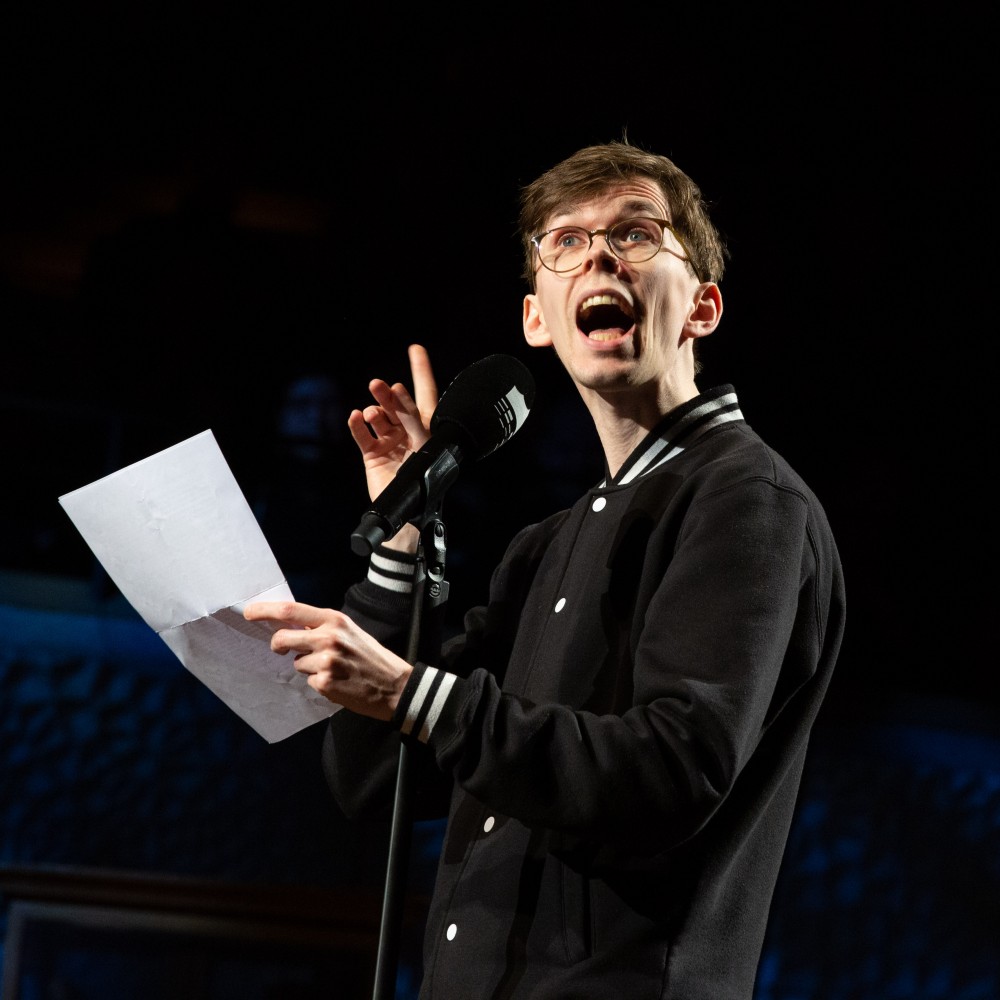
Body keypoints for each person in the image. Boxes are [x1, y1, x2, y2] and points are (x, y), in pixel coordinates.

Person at [244, 140, 846, 999]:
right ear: (537, 317)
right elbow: (376, 779)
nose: (599, 253)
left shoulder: (748, 501)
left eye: (637, 235)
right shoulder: (549, 544)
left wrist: (414, 695)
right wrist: (403, 541)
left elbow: (675, 768)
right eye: (565, 241)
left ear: (702, 307)